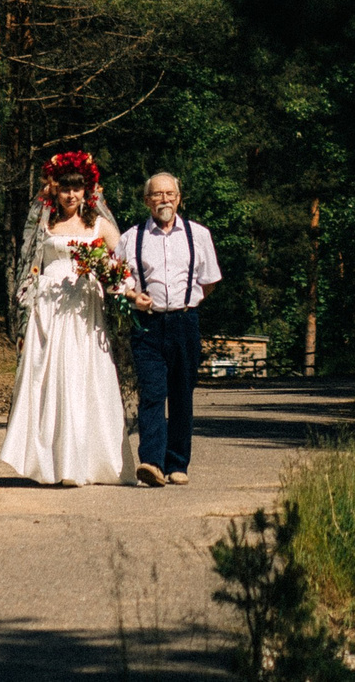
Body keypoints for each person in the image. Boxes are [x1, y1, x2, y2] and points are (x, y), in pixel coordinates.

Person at [0, 151, 133, 486]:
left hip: (83, 308)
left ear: (88, 191)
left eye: (77, 189)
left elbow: (122, 265)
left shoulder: (99, 225)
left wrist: (120, 282)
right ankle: (52, 462)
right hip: (48, 307)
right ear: (54, 191)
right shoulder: (44, 224)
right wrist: (24, 311)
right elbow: (29, 264)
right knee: (49, 378)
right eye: (64, 189)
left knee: (81, 375)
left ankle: (84, 462)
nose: (71, 195)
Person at [119, 171, 222, 487]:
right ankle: (152, 462)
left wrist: (188, 303)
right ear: (146, 199)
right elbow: (120, 282)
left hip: (184, 324)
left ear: (179, 199)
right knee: (152, 392)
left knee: (181, 394)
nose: (164, 199)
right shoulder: (131, 238)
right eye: (157, 194)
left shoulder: (198, 235)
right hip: (148, 326)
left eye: (170, 194)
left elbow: (210, 280)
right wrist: (135, 297)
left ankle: (178, 463)